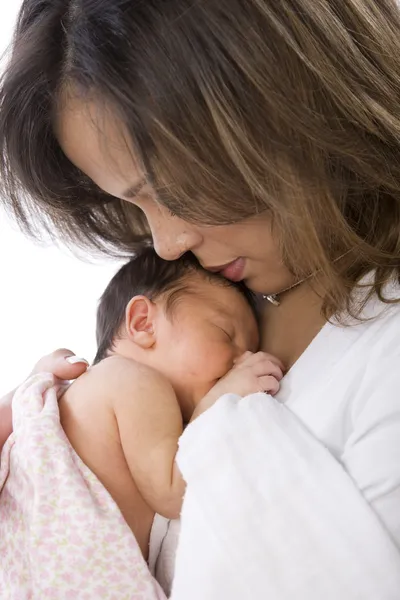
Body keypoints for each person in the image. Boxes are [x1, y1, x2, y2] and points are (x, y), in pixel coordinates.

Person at [1, 1, 400, 598]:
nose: (166, 242)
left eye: (180, 190)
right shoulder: (196, 295)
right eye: (135, 205)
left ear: (291, 99)